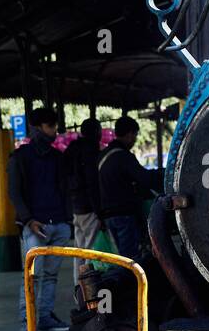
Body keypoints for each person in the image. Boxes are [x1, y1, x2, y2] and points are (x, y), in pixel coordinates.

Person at [8, 108, 72, 331]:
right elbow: (14, 192)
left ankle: (44, 317)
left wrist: (67, 222)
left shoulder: (57, 157)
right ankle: (28, 322)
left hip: (58, 224)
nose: (54, 131)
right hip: (34, 226)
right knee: (32, 276)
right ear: (37, 128)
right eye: (50, 126)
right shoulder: (19, 157)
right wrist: (28, 220)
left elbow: (64, 189)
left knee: (50, 275)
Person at [98, 115, 160, 262]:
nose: (134, 139)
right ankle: (133, 284)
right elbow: (144, 178)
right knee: (130, 259)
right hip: (124, 214)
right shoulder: (123, 156)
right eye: (135, 135)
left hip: (108, 215)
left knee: (119, 257)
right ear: (130, 134)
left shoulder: (103, 155)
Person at [64, 117, 103, 285]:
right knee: (92, 250)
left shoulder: (70, 150)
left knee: (79, 251)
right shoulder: (90, 151)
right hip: (89, 208)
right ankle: (87, 289)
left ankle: (77, 288)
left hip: (75, 207)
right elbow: (92, 183)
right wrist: (99, 211)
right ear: (96, 133)